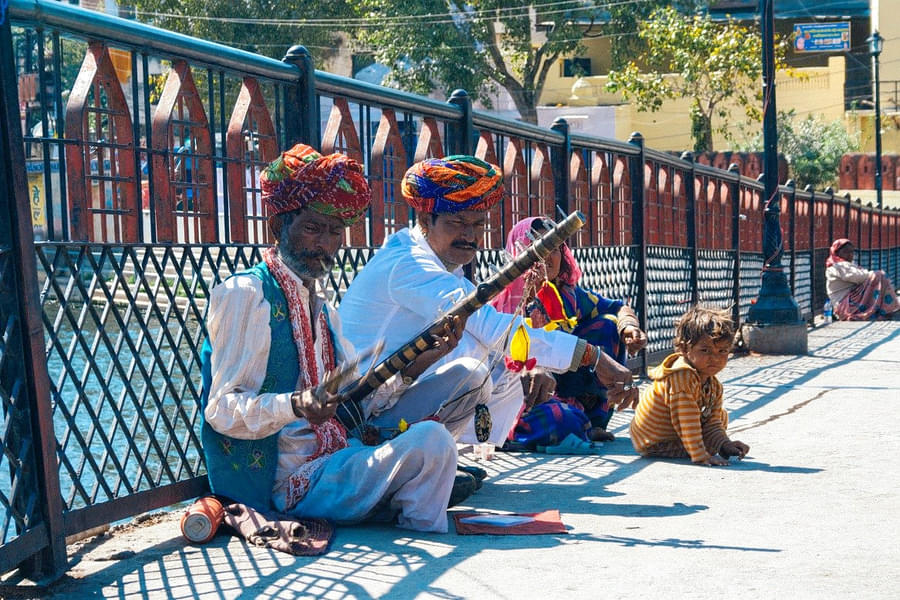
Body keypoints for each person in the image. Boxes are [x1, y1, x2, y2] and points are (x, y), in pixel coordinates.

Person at [200, 143, 470, 534]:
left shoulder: (322, 308)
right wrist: (295, 405)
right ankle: (414, 519)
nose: (325, 244)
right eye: (313, 228)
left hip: (339, 455)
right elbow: (221, 410)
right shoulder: (247, 294)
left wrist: (417, 365)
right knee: (432, 443)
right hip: (287, 481)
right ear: (278, 228)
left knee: (445, 417)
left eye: (335, 231)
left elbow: (357, 402)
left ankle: (409, 514)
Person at [337, 155, 636, 454]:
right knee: (474, 372)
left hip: (395, 394)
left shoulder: (440, 266)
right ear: (426, 220)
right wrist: (593, 357)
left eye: (477, 225)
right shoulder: (408, 264)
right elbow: (493, 328)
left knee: (507, 367)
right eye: (457, 223)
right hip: (361, 411)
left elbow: (491, 335)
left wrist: (544, 365)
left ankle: (437, 459)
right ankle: (407, 461)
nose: (469, 236)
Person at [490, 217, 647, 449]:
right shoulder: (504, 302)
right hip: (523, 398)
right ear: (519, 252)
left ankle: (593, 420)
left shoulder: (567, 295)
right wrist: (531, 368)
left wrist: (629, 327)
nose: (548, 256)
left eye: (555, 248)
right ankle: (569, 422)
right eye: (538, 248)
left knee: (608, 325)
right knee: (561, 420)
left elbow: (615, 307)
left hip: (563, 387)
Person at [630, 305, 749, 466]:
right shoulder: (683, 375)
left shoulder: (713, 385)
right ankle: (699, 449)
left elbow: (713, 423)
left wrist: (724, 444)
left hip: (674, 434)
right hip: (656, 443)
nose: (715, 358)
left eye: (722, 351)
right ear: (685, 349)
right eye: (705, 350)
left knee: (721, 415)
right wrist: (701, 455)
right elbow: (687, 419)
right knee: (709, 428)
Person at [825, 238, 899, 321]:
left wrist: (869, 274)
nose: (850, 255)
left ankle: (888, 309)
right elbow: (857, 277)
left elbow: (861, 275)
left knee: (879, 276)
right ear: (836, 253)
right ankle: (889, 309)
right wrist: (872, 274)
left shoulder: (847, 265)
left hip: (851, 302)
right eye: (845, 252)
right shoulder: (836, 267)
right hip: (845, 306)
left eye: (851, 252)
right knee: (879, 275)